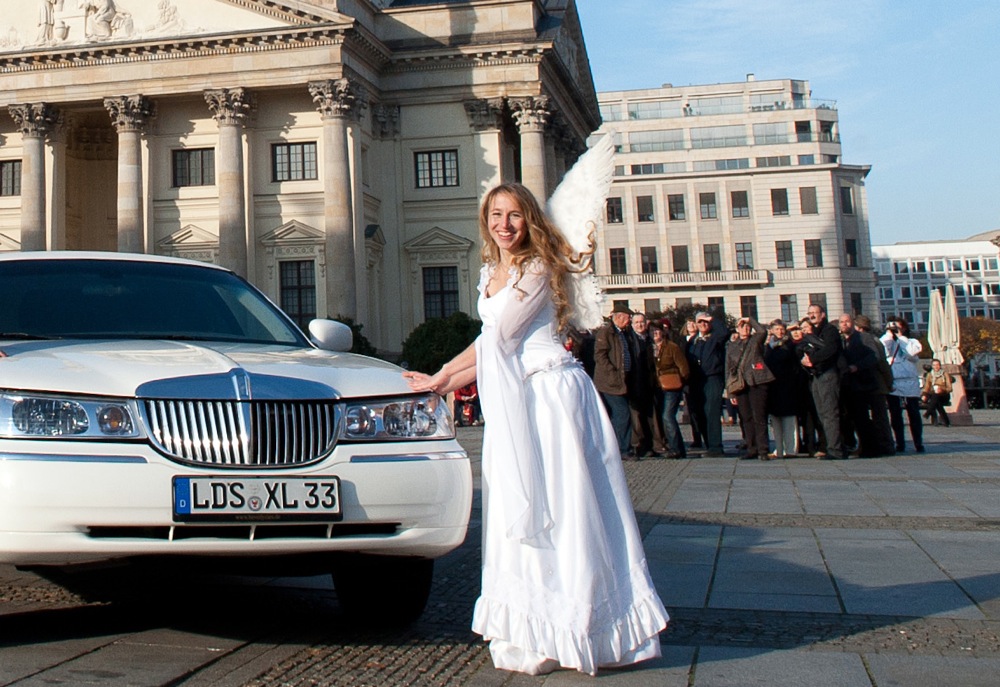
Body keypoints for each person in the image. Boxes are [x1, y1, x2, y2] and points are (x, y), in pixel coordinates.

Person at [402, 183, 668, 676]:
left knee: (565, 510)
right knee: (526, 508)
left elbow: (498, 341)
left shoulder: (538, 268)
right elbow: (489, 343)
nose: (504, 224)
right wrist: (440, 380)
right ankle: (536, 630)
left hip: (550, 400)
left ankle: (582, 628)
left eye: (515, 215)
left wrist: (441, 377)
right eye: (496, 214)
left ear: (531, 221)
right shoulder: (492, 272)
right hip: (522, 400)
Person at [725, 317, 774, 460]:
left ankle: (763, 449)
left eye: (747, 326)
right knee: (746, 417)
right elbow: (728, 369)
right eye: (741, 326)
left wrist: (749, 319)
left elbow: (762, 331)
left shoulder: (755, 341)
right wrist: (730, 392)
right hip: (740, 384)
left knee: (759, 416)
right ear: (736, 329)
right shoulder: (732, 345)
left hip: (757, 382)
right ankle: (751, 448)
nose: (745, 328)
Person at [801, 304, 846, 459]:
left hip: (828, 374)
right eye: (810, 313)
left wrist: (812, 359)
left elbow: (831, 350)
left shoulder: (829, 331)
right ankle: (831, 446)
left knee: (829, 413)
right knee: (822, 413)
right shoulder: (813, 332)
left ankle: (836, 449)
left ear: (823, 314)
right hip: (816, 375)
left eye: (815, 313)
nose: (812, 315)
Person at [594, 303, 638, 459]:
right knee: (622, 414)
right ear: (619, 317)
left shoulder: (624, 333)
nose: (629, 322)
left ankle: (620, 447)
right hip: (610, 382)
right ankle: (623, 448)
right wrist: (613, 373)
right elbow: (600, 356)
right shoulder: (606, 332)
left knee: (621, 414)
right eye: (628, 318)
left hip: (624, 381)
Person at [685, 310, 728, 456]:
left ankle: (716, 446)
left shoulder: (715, 338)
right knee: (699, 412)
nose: (703, 324)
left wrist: (711, 318)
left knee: (712, 411)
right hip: (696, 380)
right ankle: (709, 443)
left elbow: (724, 332)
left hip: (712, 378)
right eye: (700, 322)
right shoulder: (693, 341)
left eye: (706, 322)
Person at [880, 316, 925, 453]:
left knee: (913, 413)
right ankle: (900, 443)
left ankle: (918, 442)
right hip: (894, 381)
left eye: (898, 327)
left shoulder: (911, 341)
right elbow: (883, 350)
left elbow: (912, 353)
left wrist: (901, 336)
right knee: (895, 414)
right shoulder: (887, 341)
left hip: (909, 380)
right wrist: (889, 334)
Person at [854, 315, 896, 456]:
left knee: (877, 417)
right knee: (881, 417)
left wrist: (888, 381)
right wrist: (889, 381)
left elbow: (880, 362)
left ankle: (883, 445)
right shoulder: (876, 340)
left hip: (873, 384)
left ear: (858, 327)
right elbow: (884, 364)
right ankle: (885, 444)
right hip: (879, 384)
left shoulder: (865, 340)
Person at [764, 319, 799, 458]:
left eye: (782, 329)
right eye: (777, 329)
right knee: (775, 420)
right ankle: (778, 449)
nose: (780, 332)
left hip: (787, 385)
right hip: (773, 386)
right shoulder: (769, 346)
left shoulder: (788, 345)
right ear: (771, 330)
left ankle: (790, 449)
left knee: (789, 420)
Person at [628, 312, 661, 457]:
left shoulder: (651, 339)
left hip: (650, 383)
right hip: (634, 383)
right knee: (636, 418)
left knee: (651, 417)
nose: (639, 325)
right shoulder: (630, 339)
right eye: (636, 322)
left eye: (642, 322)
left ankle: (652, 445)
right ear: (632, 324)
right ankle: (638, 445)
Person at [655, 321, 689, 458]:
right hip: (656, 387)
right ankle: (677, 447)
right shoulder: (649, 348)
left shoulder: (672, 347)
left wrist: (679, 382)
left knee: (667, 416)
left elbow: (684, 368)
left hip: (672, 387)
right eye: (652, 331)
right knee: (663, 417)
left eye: (657, 331)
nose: (655, 333)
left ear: (663, 332)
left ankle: (676, 448)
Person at [681, 319, 704, 449]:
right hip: (687, 380)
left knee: (701, 410)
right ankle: (696, 437)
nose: (692, 326)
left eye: (693, 323)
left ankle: (703, 437)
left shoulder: (700, 340)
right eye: (689, 323)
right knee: (692, 411)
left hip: (699, 377)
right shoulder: (683, 340)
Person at [922, 358, 953, 426]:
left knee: (935, 398)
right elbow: (927, 387)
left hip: (944, 395)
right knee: (936, 400)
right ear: (932, 366)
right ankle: (946, 422)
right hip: (934, 394)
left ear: (940, 366)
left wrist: (942, 390)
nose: (936, 367)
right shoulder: (930, 375)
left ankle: (928, 413)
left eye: (937, 365)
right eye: (934, 365)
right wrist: (924, 394)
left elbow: (950, 388)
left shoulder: (945, 374)